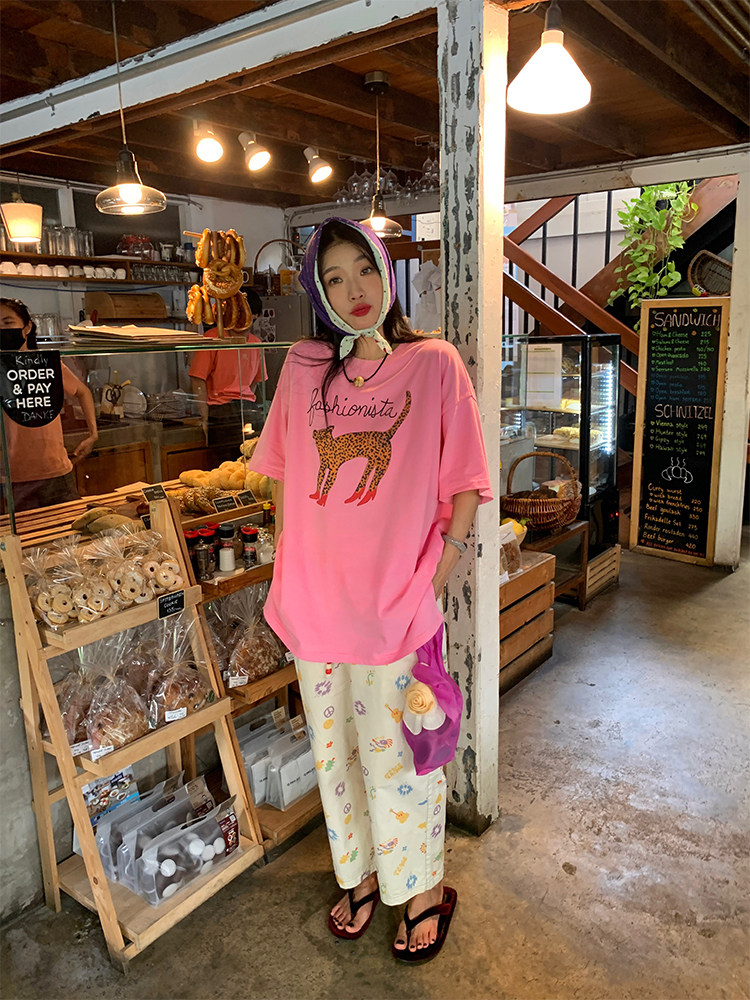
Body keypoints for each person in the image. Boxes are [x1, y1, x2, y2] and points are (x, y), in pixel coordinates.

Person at [251, 219, 492, 962]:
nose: (353, 289)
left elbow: (465, 484)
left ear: (386, 272)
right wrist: (288, 563)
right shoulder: (303, 366)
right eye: (333, 278)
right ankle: (357, 876)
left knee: (402, 761)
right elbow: (284, 473)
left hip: (396, 607)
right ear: (317, 293)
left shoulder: (433, 363)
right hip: (316, 605)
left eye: (364, 268)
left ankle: (421, 890)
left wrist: (435, 577)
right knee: (336, 760)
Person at [0, 298, 97, 513]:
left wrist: (93, 434)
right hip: (10, 478)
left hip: (56, 471)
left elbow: (83, 392)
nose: (2, 330)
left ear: (27, 327)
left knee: (70, 530)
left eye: (8, 323)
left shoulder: (47, 364)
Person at [188, 288, 266, 447]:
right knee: (227, 461)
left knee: (253, 459)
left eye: (245, 317)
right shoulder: (213, 338)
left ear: (256, 316)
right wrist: (205, 418)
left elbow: (256, 381)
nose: (240, 322)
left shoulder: (256, 343)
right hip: (220, 411)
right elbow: (197, 380)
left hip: (249, 410)